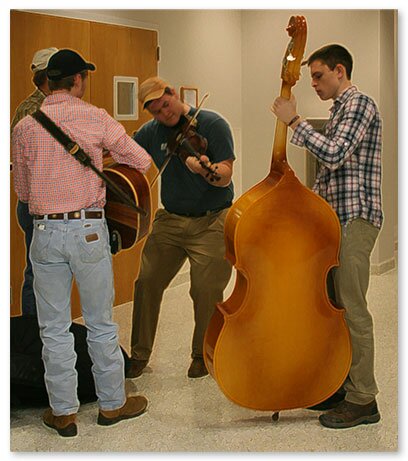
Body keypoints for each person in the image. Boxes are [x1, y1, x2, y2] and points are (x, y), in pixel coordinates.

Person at [12, 48, 152, 437]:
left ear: (48, 80)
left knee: (53, 328)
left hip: (44, 233)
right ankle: (112, 405)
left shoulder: (25, 125)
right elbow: (140, 160)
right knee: (100, 323)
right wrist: (96, 162)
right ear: (77, 80)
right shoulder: (95, 117)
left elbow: (22, 191)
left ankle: (63, 413)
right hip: (88, 230)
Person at [271, 44, 383, 429]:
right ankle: (341, 383)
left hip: (356, 220)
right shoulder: (339, 110)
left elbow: (334, 155)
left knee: (352, 308)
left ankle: (364, 398)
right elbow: (329, 175)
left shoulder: (360, 104)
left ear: (340, 70)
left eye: (318, 76)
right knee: (334, 308)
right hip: (335, 222)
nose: (313, 83)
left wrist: (294, 121)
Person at [127, 77, 235, 379]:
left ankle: (202, 353)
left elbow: (225, 174)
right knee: (147, 281)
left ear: (173, 94)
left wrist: (207, 171)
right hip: (170, 219)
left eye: (165, 105)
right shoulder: (151, 132)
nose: (165, 115)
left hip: (212, 219)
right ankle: (139, 354)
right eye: (157, 112)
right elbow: (128, 154)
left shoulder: (212, 124)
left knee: (205, 288)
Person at [11, 47, 59, 318]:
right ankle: (32, 337)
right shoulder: (35, 109)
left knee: (45, 273)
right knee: (36, 274)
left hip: (41, 204)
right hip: (36, 206)